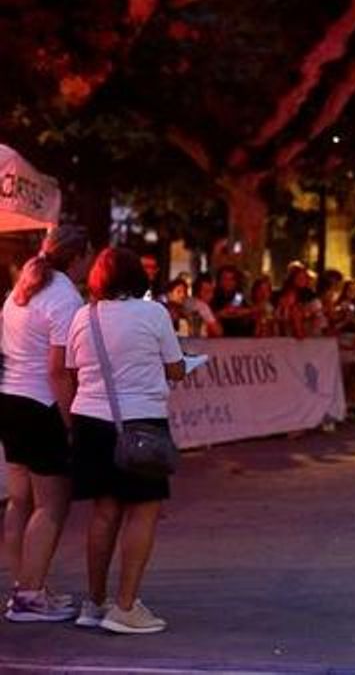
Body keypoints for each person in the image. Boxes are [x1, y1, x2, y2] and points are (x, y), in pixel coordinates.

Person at [63, 247, 188, 634]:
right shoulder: (154, 314)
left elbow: (71, 368)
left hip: (90, 420)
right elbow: (176, 368)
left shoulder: (84, 316)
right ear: (139, 277)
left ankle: (95, 601)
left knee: (104, 512)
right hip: (142, 423)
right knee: (144, 509)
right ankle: (126, 606)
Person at [0, 225, 90, 622]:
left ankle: (25, 585)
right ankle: (30, 595)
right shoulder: (65, 297)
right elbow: (58, 370)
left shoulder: (22, 289)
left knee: (20, 500)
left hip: (10, 400)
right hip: (41, 405)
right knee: (52, 504)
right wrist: (72, 422)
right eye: (88, 255)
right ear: (77, 256)